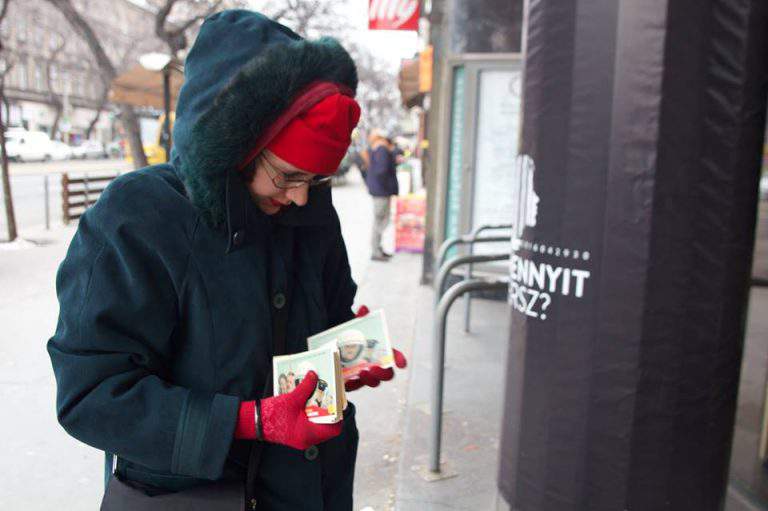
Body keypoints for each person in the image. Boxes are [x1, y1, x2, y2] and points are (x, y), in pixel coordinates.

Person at [47, 10, 406, 510]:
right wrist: (250, 421)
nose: (302, 198)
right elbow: (92, 395)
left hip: (311, 491)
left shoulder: (310, 212)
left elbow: (324, 316)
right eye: (287, 176)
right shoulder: (138, 218)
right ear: (239, 147)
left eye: (316, 180)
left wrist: (347, 355)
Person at [364, 129, 399, 261]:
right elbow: (382, 170)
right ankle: (376, 251)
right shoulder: (382, 149)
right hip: (382, 191)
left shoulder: (376, 148)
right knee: (380, 220)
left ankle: (378, 249)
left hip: (380, 190)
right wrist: (387, 185)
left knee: (380, 220)